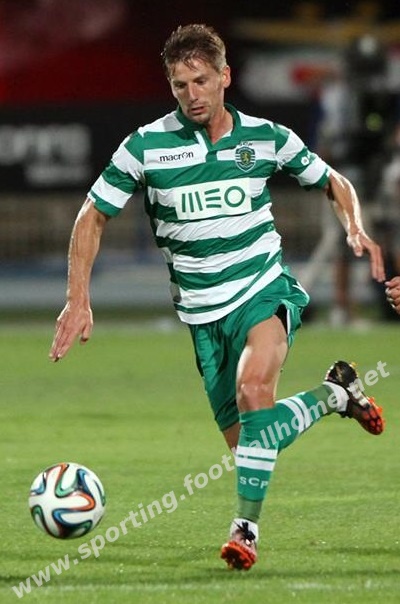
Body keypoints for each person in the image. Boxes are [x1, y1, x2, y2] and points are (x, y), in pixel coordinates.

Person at [49, 24, 386, 571]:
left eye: (201, 81)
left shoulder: (266, 138)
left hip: (263, 290)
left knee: (255, 392)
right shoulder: (145, 147)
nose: (192, 95)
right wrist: (77, 297)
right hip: (203, 318)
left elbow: (333, 181)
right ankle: (334, 395)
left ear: (225, 76)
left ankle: (244, 531)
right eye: (180, 85)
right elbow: (92, 216)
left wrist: (354, 227)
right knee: (253, 443)